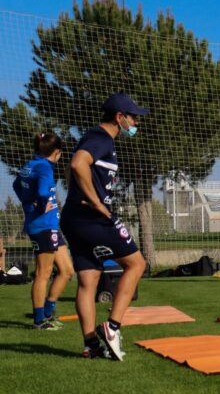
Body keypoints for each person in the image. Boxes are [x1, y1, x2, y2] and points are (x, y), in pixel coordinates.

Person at [61, 92, 150, 360]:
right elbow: (77, 164)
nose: (136, 123)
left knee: (88, 280)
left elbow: (71, 168)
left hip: (74, 218)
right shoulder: (100, 138)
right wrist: (95, 202)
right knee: (136, 264)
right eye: (133, 117)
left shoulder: (95, 139)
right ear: (118, 117)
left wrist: (77, 195)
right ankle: (111, 327)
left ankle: (91, 344)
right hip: (94, 218)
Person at [12, 132, 74, 330]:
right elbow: (41, 192)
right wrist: (39, 207)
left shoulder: (30, 165)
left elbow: (16, 185)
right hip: (43, 226)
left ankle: (48, 311)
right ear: (57, 153)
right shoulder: (45, 168)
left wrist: (28, 204)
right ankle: (39, 320)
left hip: (50, 227)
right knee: (43, 273)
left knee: (66, 270)